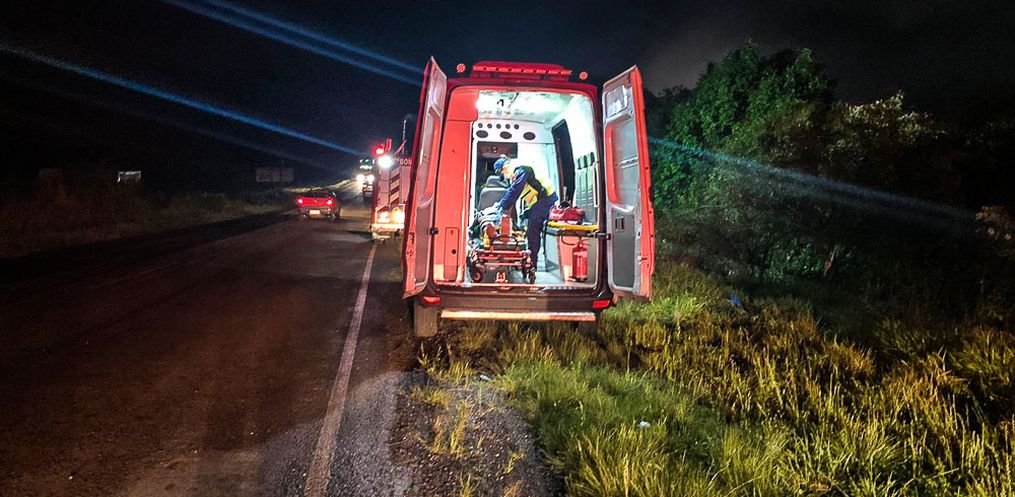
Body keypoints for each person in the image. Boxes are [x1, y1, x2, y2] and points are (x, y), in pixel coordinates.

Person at [488, 156, 558, 271]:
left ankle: (532, 264)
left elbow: (516, 189)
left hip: (545, 199)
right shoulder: (518, 170)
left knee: (532, 231)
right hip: (541, 200)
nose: (505, 176)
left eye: (503, 174)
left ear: (505, 167)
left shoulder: (520, 169)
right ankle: (531, 259)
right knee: (529, 227)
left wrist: (502, 205)